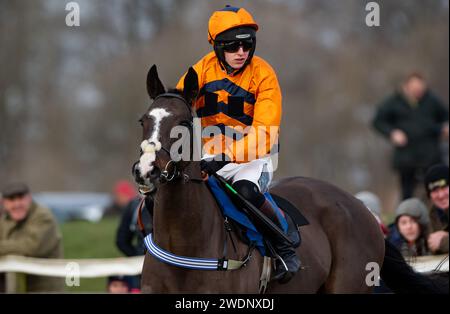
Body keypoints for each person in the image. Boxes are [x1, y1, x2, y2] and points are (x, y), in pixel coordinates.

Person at [176, 6, 298, 283]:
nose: (241, 52)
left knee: (245, 191)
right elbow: (178, 109)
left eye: (247, 44)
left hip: (253, 158)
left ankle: (283, 247)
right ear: (218, 47)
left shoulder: (264, 75)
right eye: (233, 46)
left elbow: (264, 133)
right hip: (209, 154)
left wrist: (226, 156)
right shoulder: (199, 71)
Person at [372, 73, 449, 200]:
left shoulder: (432, 100)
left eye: (420, 89)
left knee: (435, 190)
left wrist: (444, 128)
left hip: (430, 155)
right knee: (407, 193)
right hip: (406, 157)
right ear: (406, 87)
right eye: (415, 89)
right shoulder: (394, 102)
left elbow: (445, 117)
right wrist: (392, 133)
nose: (418, 92)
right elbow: (378, 121)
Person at [0, 182, 64, 292]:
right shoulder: (5, 220)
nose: (17, 204)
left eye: (20, 198)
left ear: (29, 198)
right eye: (11, 199)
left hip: (45, 289)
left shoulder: (43, 216)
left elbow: (33, 247)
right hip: (15, 288)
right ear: (4, 203)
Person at [115, 195, 153, 290]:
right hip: (171, 269)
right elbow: (122, 241)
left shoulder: (136, 203)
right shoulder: (135, 205)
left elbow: (122, 241)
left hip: (143, 272)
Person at [424, 164, 449, 254]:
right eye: (435, 190)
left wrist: (444, 241)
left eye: (444, 187)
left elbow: (438, 243)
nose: (441, 195)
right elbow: (432, 245)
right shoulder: (433, 215)